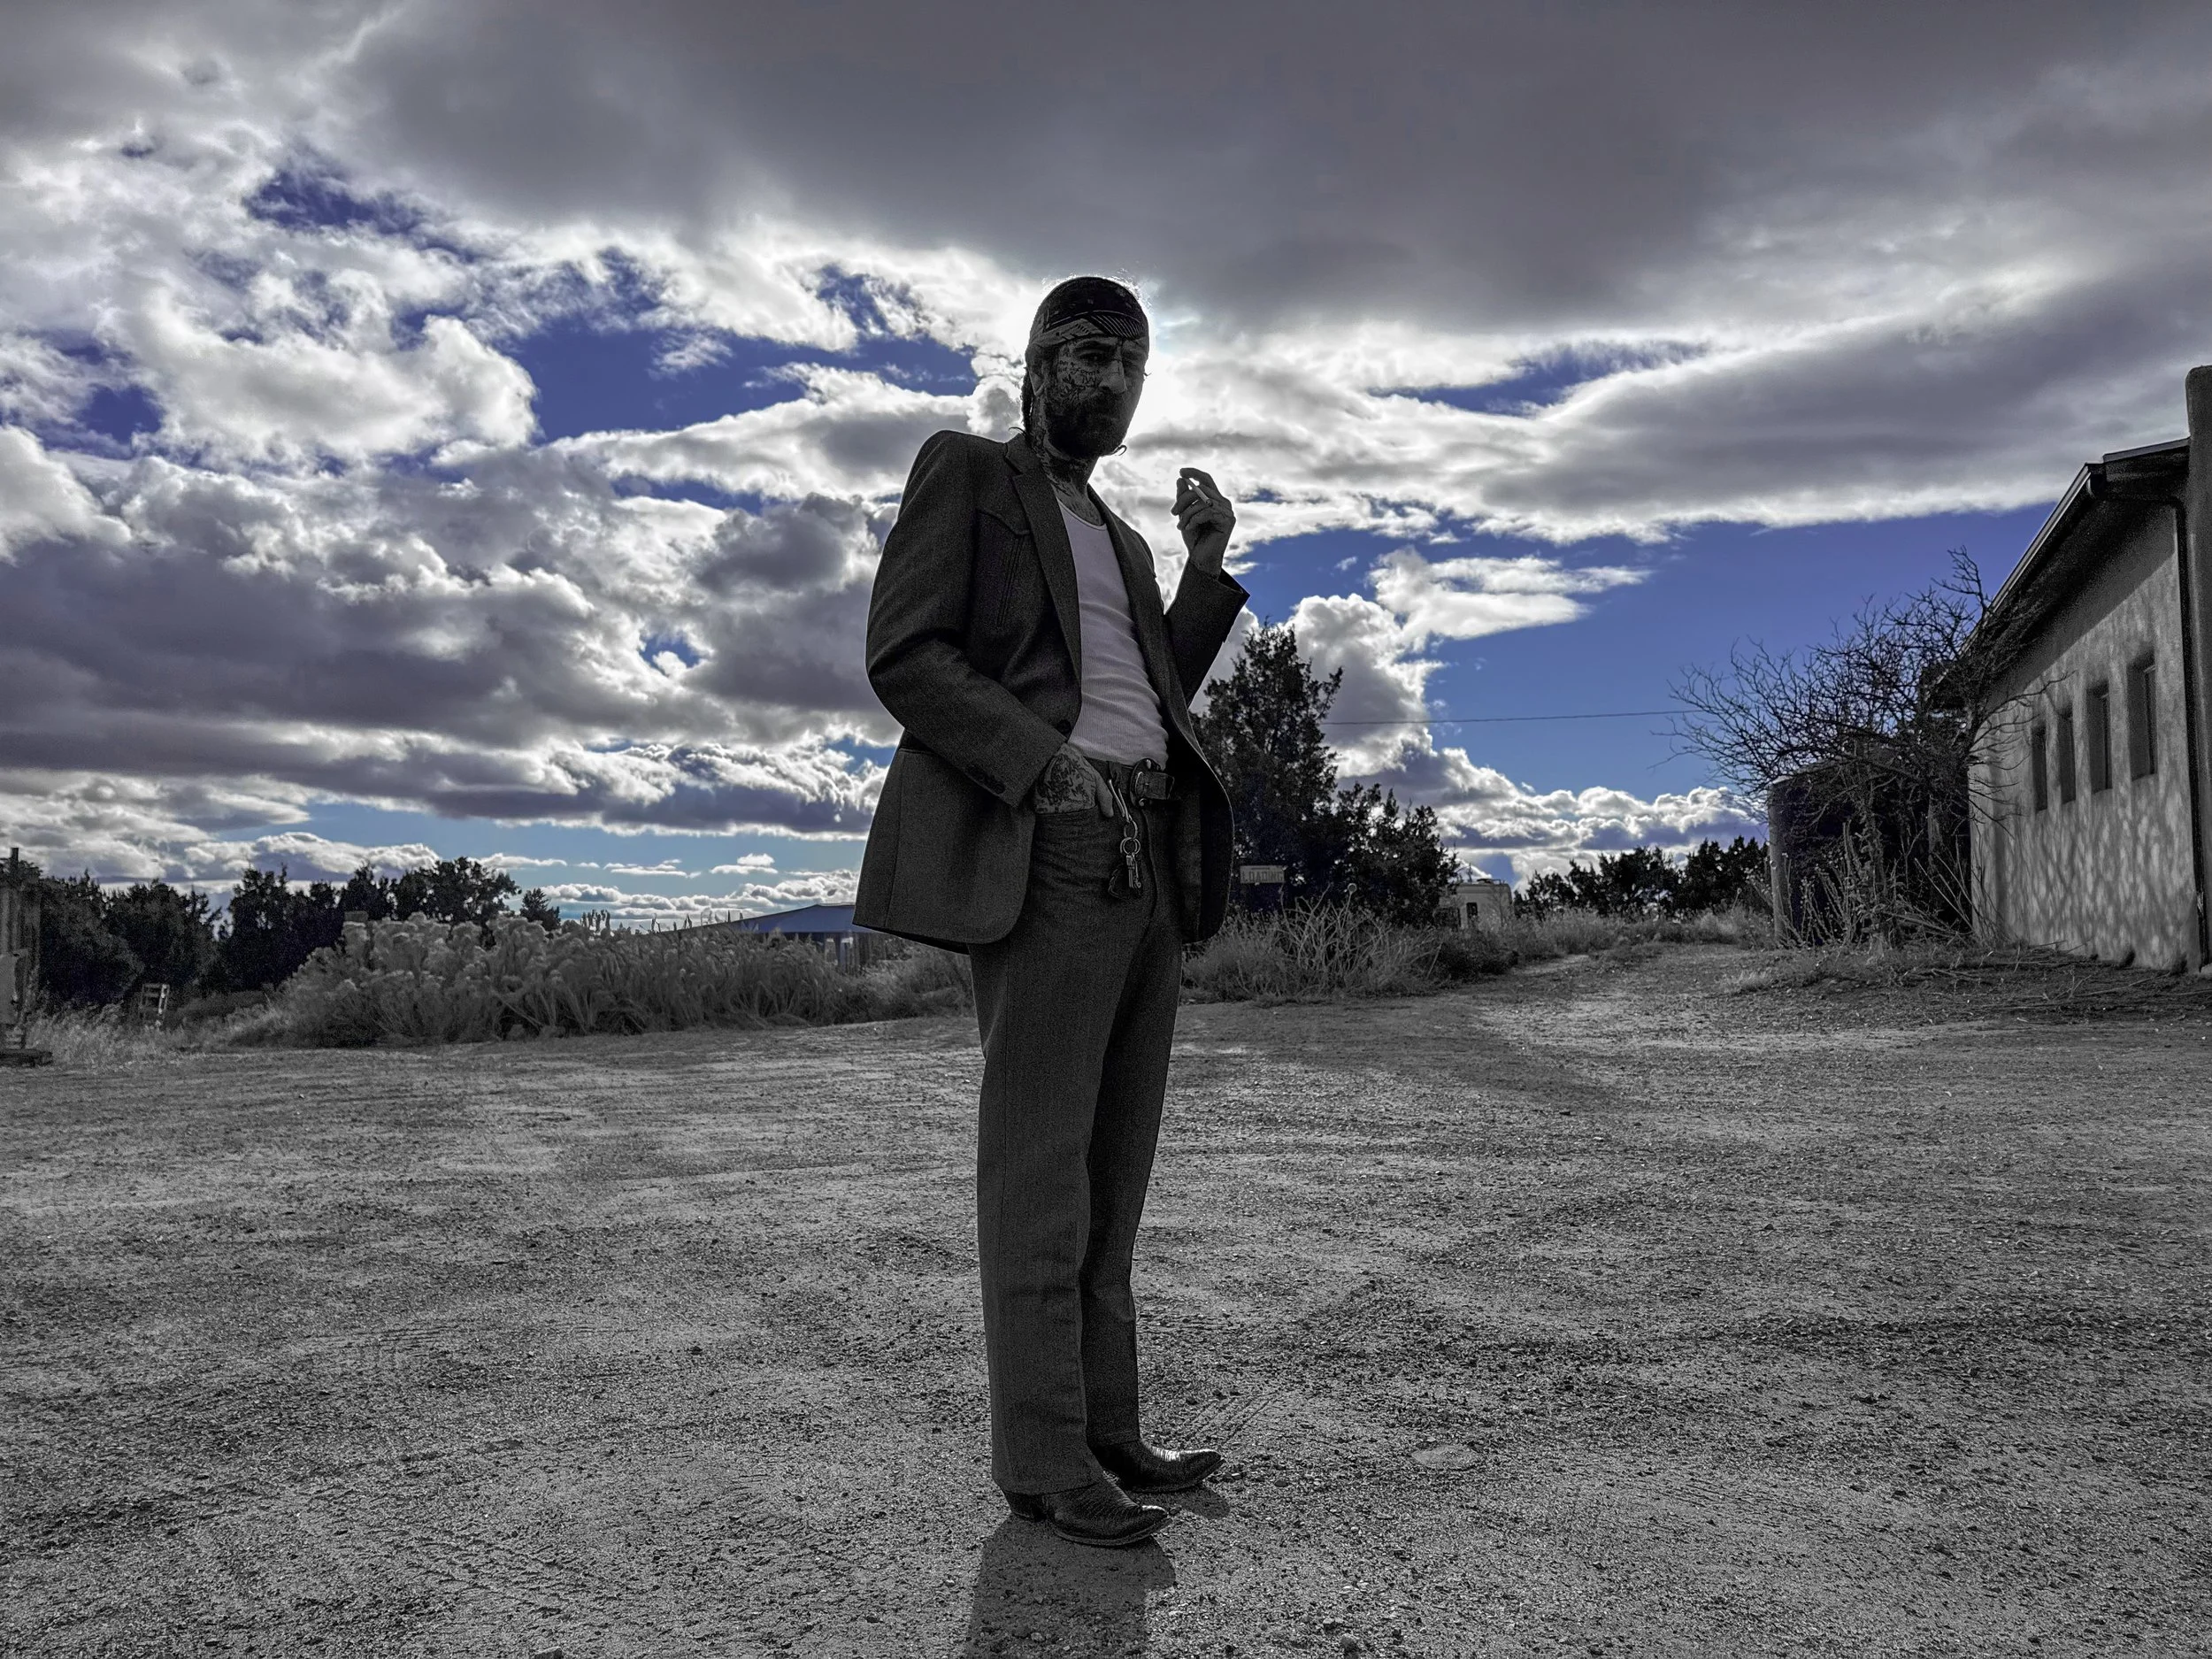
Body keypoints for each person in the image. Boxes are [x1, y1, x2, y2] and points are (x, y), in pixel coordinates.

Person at [856, 276, 1248, 1548]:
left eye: (1135, 362)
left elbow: (1155, 692)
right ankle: (1041, 1457)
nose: (1116, 379)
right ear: (1033, 364)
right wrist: (1046, 766)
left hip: (1148, 851)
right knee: (1039, 1166)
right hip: (1053, 842)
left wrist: (1203, 569)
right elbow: (908, 653)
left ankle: (1106, 1425)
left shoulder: (1127, 542)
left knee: (1113, 1169)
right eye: (1091, 353)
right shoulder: (969, 472)